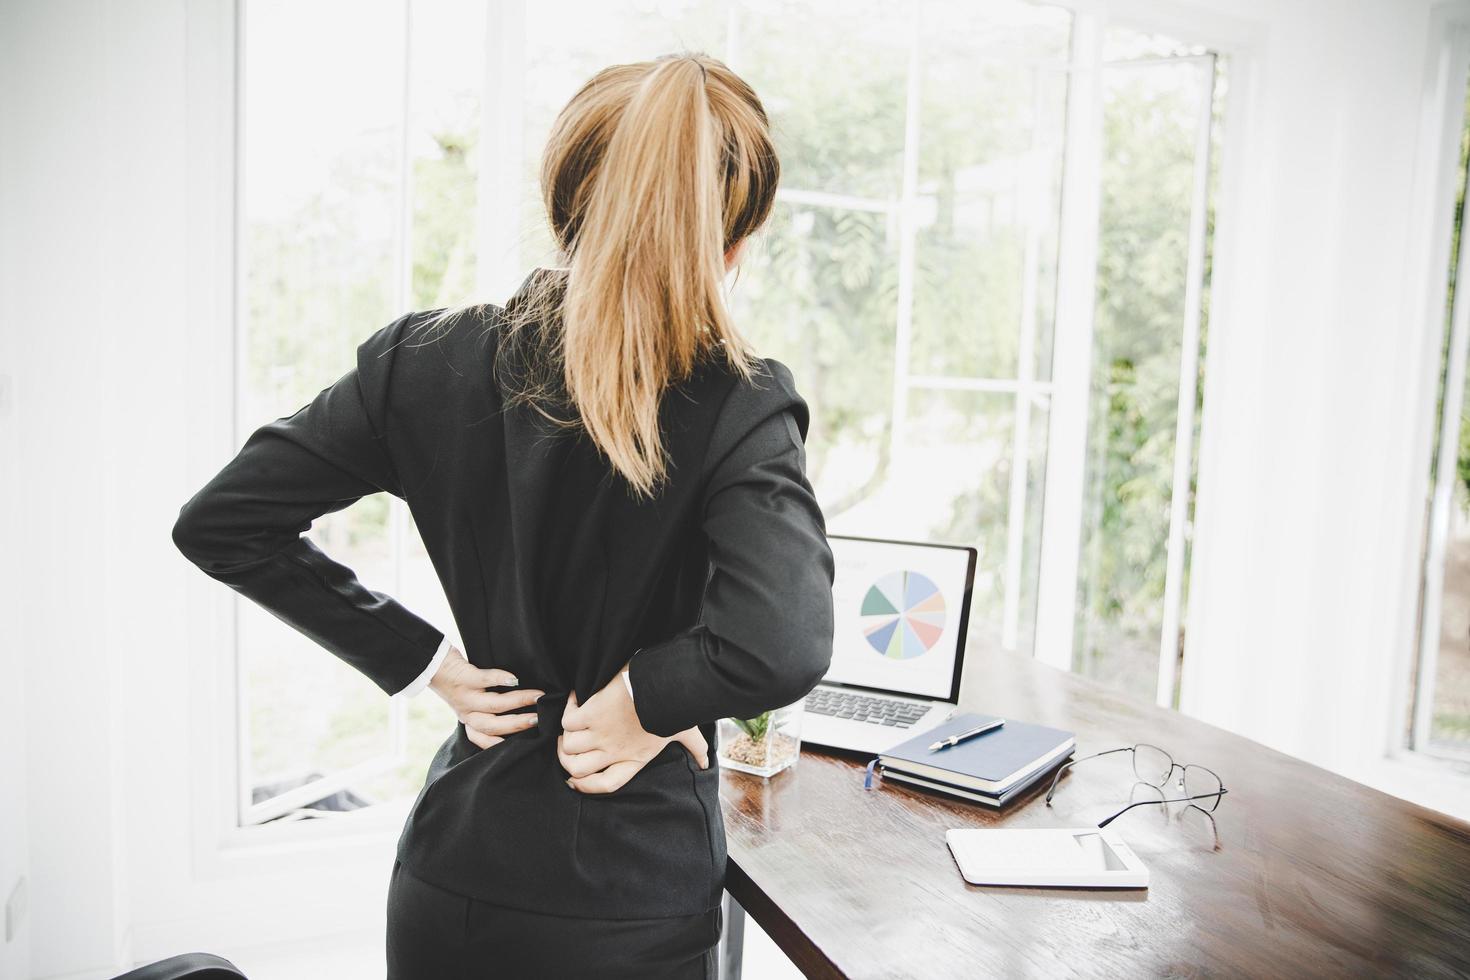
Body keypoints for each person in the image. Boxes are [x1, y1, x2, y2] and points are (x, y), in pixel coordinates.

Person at [170, 49, 835, 979]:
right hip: (624, 902)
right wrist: (646, 702)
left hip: (449, 877)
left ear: (566, 210)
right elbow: (782, 642)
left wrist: (423, 661)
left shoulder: (422, 361)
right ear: (732, 244)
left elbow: (222, 522)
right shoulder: (739, 399)